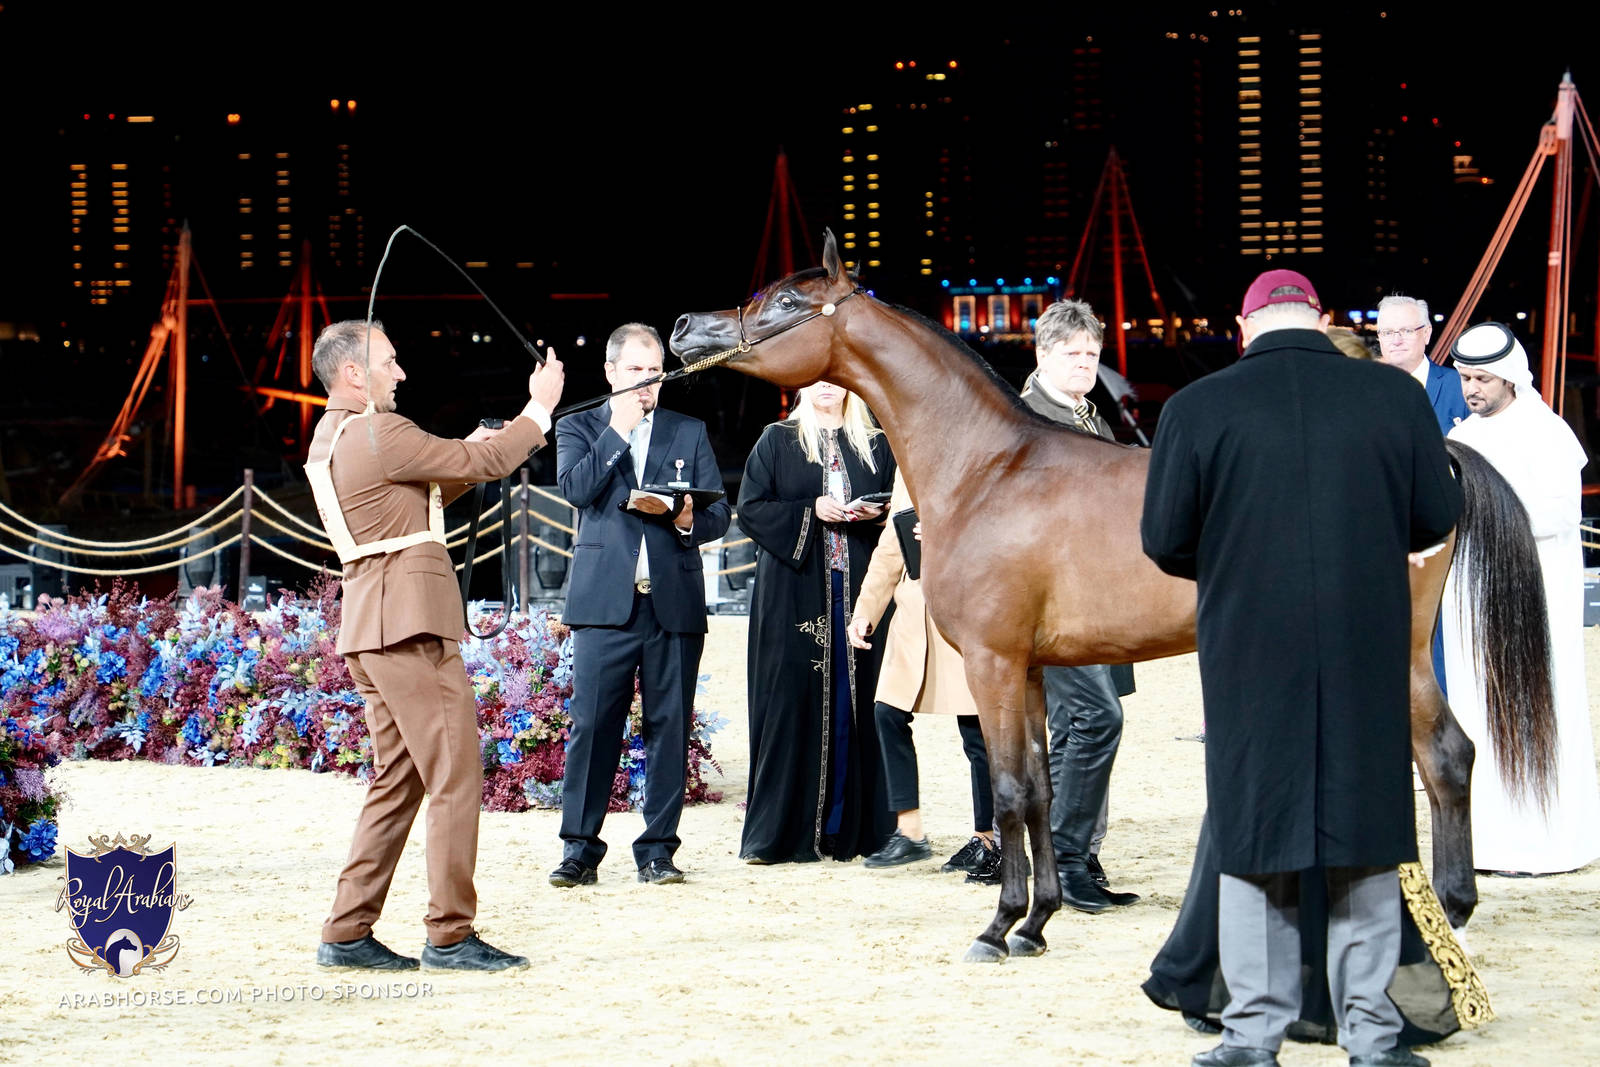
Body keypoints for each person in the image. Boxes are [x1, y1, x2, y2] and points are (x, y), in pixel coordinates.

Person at [1141, 269, 1461, 1067]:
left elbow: (1165, 538)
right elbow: (1436, 514)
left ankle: (1252, 1035)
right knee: (1367, 836)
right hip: (1364, 645)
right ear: (1319, 320)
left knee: (1254, 834)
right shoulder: (1393, 396)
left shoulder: (1194, 408)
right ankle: (1372, 1036)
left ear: (1244, 326)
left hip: (1249, 651)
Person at [307, 319, 564, 972]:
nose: (400, 373)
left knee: (398, 779)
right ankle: (449, 933)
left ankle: (347, 930)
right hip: (409, 625)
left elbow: (410, 494)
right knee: (454, 773)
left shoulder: (332, 437)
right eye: (389, 361)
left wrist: (463, 457)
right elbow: (485, 463)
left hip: (372, 626)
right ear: (353, 373)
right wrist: (539, 409)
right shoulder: (380, 430)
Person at [550, 323, 730, 887]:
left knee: (669, 728)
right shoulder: (579, 425)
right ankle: (579, 851)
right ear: (611, 373)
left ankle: (657, 851)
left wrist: (687, 518)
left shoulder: (688, 430)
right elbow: (575, 490)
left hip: (672, 604)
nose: (647, 381)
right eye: (635, 371)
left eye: (655, 372)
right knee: (592, 727)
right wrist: (619, 429)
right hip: (604, 605)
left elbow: (718, 516)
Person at [1442, 322, 1600, 875]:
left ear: (1509, 378)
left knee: (1537, 714)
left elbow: (1559, 514)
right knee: (1479, 716)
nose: (1471, 390)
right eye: (1465, 379)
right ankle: (1491, 845)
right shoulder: (1465, 436)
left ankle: (1546, 847)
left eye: (1481, 379)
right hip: (1472, 601)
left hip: (1535, 602)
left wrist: (1481, 510)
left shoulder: (1546, 432)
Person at [737, 380, 897, 863]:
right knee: (791, 703)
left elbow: (900, 510)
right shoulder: (778, 439)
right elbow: (751, 508)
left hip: (863, 590)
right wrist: (812, 509)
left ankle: (858, 830)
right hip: (793, 591)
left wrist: (875, 513)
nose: (827, 386)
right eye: (817, 377)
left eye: (836, 377)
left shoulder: (876, 443)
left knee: (862, 704)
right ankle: (783, 834)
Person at [1017, 298, 1139, 913]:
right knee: (1094, 721)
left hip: (1103, 598)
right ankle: (1065, 859)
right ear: (1043, 354)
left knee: (1079, 729)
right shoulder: (1028, 420)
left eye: (1092, 353)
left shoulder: (1091, 417)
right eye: (1073, 354)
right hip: (1057, 605)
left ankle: (1078, 856)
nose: (1086, 364)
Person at [847, 469, 1000, 878]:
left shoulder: (981, 455)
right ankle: (910, 831)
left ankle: (987, 838)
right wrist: (865, 612)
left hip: (965, 611)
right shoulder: (910, 465)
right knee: (887, 712)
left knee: (977, 731)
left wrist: (949, 536)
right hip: (913, 614)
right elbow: (890, 546)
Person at [1374, 295, 1469, 434]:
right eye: (1387, 332)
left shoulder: (1461, 386)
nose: (1396, 341)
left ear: (1426, 334)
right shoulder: (1365, 391)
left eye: (1407, 331)